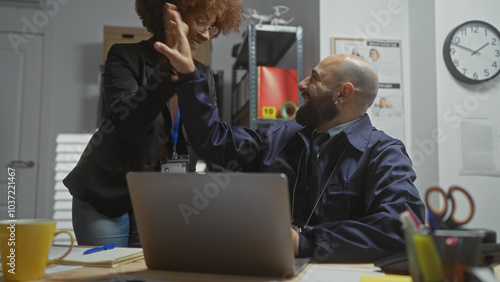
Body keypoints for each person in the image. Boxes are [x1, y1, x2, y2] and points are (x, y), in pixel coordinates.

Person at [156, 4, 425, 263]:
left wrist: (305, 243)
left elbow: (399, 227)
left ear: (343, 94)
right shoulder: (279, 137)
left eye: (315, 78)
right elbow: (212, 141)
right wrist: (189, 74)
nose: (302, 84)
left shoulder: (384, 154)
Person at [63, 0, 243, 247]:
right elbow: (128, 124)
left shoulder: (203, 76)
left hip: (161, 202)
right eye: (201, 21)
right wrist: (169, 67)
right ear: (173, 16)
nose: (206, 35)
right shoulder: (124, 56)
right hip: (106, 195)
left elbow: (209, 137)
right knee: (107, 275)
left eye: (211, 27)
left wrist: (233, 199)